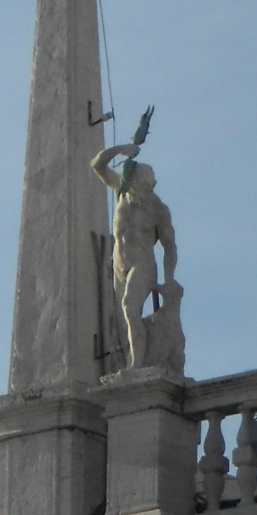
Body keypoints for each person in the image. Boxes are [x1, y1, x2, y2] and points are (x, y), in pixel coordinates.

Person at [91, 143, 179, 370]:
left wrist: (169, 278)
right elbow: (98, 164)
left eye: (147, 182)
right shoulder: (122, 191)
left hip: (143, 264)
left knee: (129, 308)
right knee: (123, 320)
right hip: (120, 264)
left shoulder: (158, 209)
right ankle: (132, 359)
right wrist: (121, 149)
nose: (145, 185)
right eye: (140, 180)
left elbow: (170, 247)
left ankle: (136, 366)